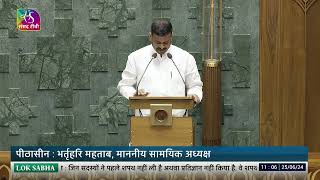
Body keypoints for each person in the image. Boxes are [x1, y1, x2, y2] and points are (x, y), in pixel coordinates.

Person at [117, 19, 203, 117]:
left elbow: (195, 86)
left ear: (171, 37)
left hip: (178, 121)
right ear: (150, 37)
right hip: (144, 121)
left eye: (166, 43)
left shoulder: (186, 58)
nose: (162, 47)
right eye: (158, 42)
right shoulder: (135, 57)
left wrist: (194, 96)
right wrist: (134, 94)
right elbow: (124, 85)